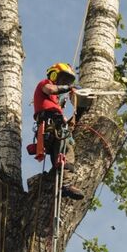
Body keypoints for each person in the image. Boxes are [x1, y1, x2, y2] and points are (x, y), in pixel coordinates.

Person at [33, 62, 84, 200]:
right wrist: (69, 87)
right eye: (63, 80)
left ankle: (60, 179)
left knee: (63, 153)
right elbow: (51, 89)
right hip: (51, 123)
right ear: (54, 75)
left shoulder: (56, 103)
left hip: (56, 126)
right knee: (67, 150)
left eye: (67, 81)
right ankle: (66, 184)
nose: (65, 83)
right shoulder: (45, 83)